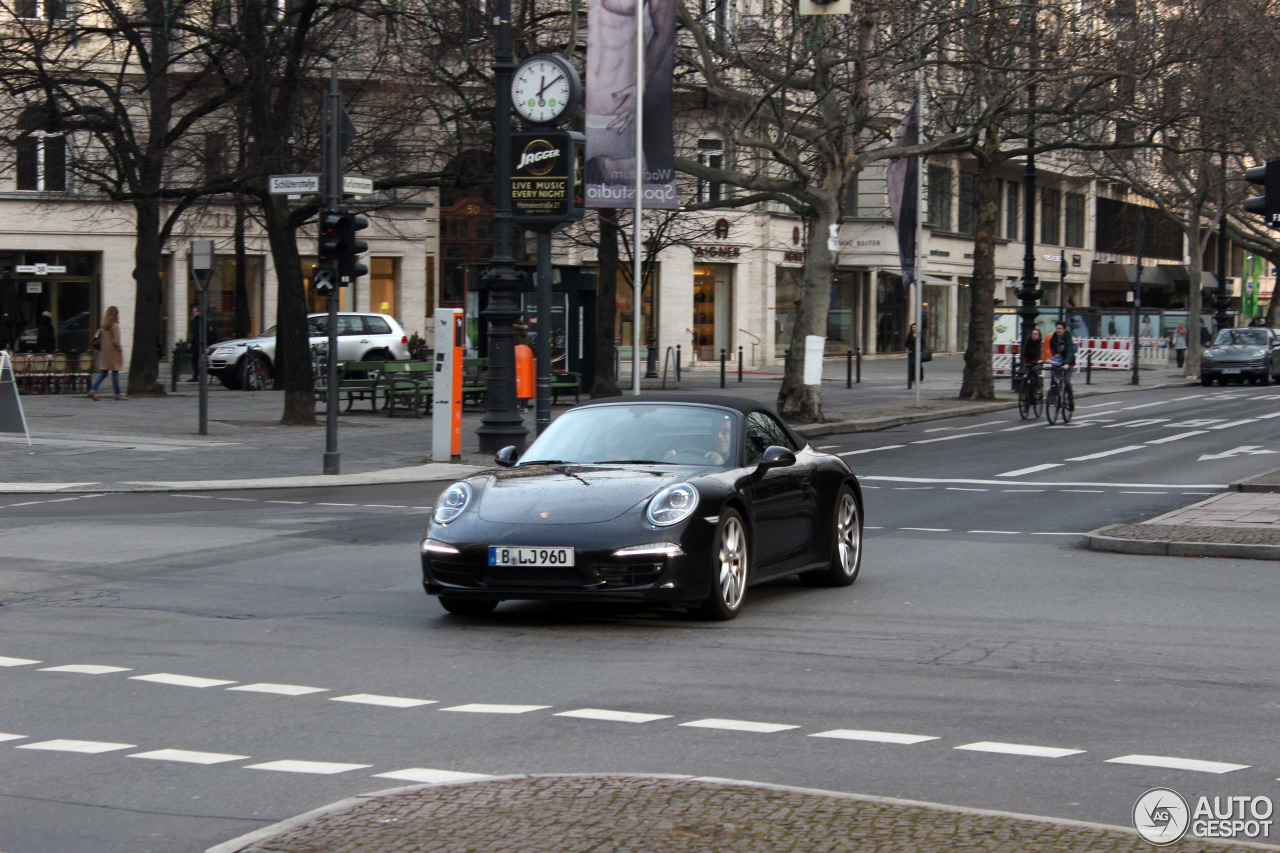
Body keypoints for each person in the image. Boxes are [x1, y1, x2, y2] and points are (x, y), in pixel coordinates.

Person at [88, 305, 126, 401]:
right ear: (115, 315)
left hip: (105, 353)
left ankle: (93, 390)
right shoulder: (115, 326)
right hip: (114, 353)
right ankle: (118, 394)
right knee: (115, 372)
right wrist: (120, 349)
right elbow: (116, 341)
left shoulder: (104, 326)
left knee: (104, 373)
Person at [1048, 320, 1075, 410]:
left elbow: (1070, 351)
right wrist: (1054, 353)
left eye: (1060, 328)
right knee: (1053, 376)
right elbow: (1051, 346)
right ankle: (1053, 395)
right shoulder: (1054, 337)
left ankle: (1071, 401)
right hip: (1058, 361)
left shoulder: (1067, 338)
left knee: (1067, 382)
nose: (1058, 330)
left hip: (1068, 362)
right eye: (1057, 328)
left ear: (1064, 329)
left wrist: (1067, 363)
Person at [513, 317, 531, 414]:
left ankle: (516, 404)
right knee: (525, 385)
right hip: (526, 361)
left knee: (515, 383)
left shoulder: (514, 334)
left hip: (515, 360)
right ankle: (524, 406)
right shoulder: (527, 336)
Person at [1021, 327, 1045, 396]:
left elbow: (1042, 352)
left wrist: (1040, 360)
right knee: (1026, 375)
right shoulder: (1028, 342)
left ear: (1039, 335)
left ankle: (1038, 387)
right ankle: (1026, 392)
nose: (1034, 335)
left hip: (1037, 363)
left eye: (1036, 334)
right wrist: (1024, 362)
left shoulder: (1040, 343)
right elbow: (1024, 353)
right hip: (1029, 363)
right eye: (1033, 334)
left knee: (1034, 370)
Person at [188, 303, 206, 381]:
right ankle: (196, 375)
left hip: (198, 343)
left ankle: (197, 375)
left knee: (196, 360)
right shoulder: (199, 320)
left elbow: (194, 333)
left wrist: (191, 342)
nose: (193, 313)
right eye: (193, 311)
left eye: (194, 311)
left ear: (198, 312)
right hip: (198, 343)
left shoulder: (197, 321)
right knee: (196, 360)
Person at [906, 322, 922, 388]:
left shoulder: (918, 334)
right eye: (912, 327)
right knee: (911, 365)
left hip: (918, 353)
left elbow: (923, 342)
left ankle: (918, 377)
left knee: (918, 365)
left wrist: (920, 348)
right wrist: (911, 348)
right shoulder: (910, 335)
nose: (914, 328)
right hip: (912, 352)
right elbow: (906, 343)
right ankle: (911, 379)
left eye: (915, 327)